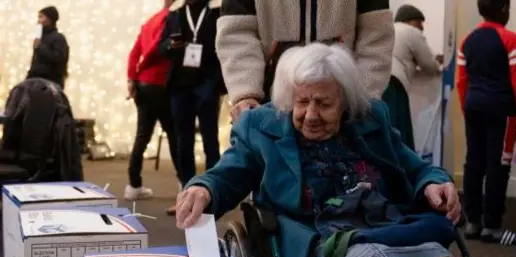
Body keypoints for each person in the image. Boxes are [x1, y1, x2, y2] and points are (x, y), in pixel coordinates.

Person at [175, 43, 481, 257]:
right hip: (324, 241)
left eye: (324, 104)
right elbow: (228, 174)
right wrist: (203, 189)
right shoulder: (261, 127)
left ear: (345, 101)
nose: (310, 115)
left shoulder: (372, 118)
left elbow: (416, 168)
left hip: (390, 227)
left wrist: (434, 182)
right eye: (302, 101)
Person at [216, 0, 395, 120]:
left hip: (341, 108)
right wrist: (246, 93)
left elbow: (376, 36)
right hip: (268, 105)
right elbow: (237, 32)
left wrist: (362, 97)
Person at [456, 0, 516, 245]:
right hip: (502, 110)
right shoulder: (512, 40)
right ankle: (493, 226)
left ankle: (472, 222)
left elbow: (461, 81)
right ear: (504, 9)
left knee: (474, 162)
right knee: (498, 166)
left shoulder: (467, 40)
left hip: (473, 105)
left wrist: (467, 108)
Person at [158, 0, 225, 215]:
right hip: (180, 86)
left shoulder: (216, 11)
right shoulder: (175, 14)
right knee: (182, 142)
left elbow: (224, 46)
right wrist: (171, 45)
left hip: (207, 84)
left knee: (210, 142)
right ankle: (186, 195)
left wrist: (215, 84)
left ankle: (213, 195)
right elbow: (161, 46)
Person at [125, 0, 180, 201]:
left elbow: (134, 52)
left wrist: (132, 77)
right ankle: (184, 183)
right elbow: (156, 48)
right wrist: (143, 67)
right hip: (160, 83)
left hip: (143, 85)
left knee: (142, 136)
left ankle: (133, 184)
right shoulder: (172, 19)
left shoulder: (150, 21)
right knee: (175, 135)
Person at [382, 4, 443, 150]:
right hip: (394, 84)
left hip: (377, 80)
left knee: (384, 130)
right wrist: (437, 61)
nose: (421, 27)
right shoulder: (411, 32)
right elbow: (430, 66)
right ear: (408, 21)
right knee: (399, 132)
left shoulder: (389, 29)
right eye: (419, 23)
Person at [27, 6, 69, 89]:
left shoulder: (59, 38)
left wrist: (40, 46)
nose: (38, 21)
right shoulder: (40, 38)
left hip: (50, 84)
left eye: (41, 17)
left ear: (50, 19)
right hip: (34, 82)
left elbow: (57, 58)